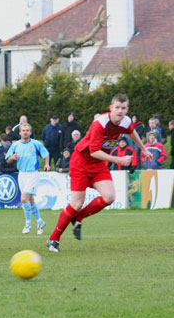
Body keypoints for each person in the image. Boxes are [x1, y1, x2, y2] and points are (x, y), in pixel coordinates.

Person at [47, 94, 153, 253]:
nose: (120, 111)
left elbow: (131, 132)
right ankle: (53, 239)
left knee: (109, 197)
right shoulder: (100, 123)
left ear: (127, 110)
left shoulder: (125, 121)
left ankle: (79, 218)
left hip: (98, 165)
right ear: (111, 108)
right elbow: (94, 151)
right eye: (117, 107)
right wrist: (118, 160)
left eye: (123, 108)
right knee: (76, 203)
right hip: (81, 162)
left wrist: (143, 149)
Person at [6, 123, 50, 235]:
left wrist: (47, 164)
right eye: (23, 130)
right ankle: (40, 222)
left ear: (30, 132)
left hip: (33, 174)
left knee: (24, 198)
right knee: (30, 200)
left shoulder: (35, 144)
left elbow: (46, 154)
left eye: (27, 130)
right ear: (20, 132)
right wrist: (12, 157)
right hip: (22, 175)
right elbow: (7, 159)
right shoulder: (16, 145)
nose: (25, 132)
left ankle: (28, 224)